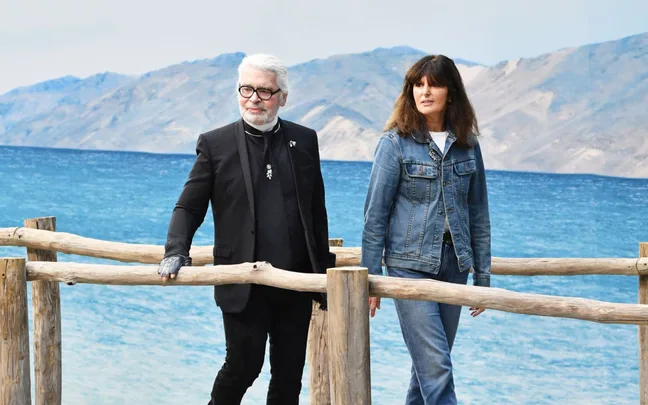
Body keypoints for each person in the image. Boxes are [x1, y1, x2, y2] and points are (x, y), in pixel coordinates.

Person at [157, 53, 335, 405]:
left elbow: (316, 211)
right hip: (241, 280)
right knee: (243, 365)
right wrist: (176, 251)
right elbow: (189, 206)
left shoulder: (305, 140)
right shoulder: (215, 144)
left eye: (265, 91)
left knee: (287, 379)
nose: (255, 98)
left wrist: (324, 275)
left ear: (282, 97)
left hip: (294, 282)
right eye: (247, 89)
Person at [361, 54, 491, 405]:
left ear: (451, 91)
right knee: (437, 369)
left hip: (455, 267)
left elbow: (478, 212)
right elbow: (375, 215)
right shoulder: (394, 143)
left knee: (429, 371)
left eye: (434, 84)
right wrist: (372, 276)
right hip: (408, 267)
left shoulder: (468, 144)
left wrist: (483, 275)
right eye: (418, 85)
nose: (425, 91)